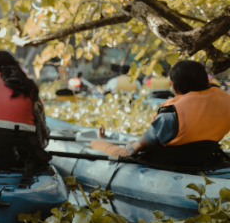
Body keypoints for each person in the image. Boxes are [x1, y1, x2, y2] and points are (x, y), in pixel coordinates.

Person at [90, 60, 230, 166]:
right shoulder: (225, 100)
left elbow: (133, 150)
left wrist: (130, 146)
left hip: (170, 161)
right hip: (205, 157)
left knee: (95, 143)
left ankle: (100, 140)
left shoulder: (171, 112)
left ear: (174, 86)